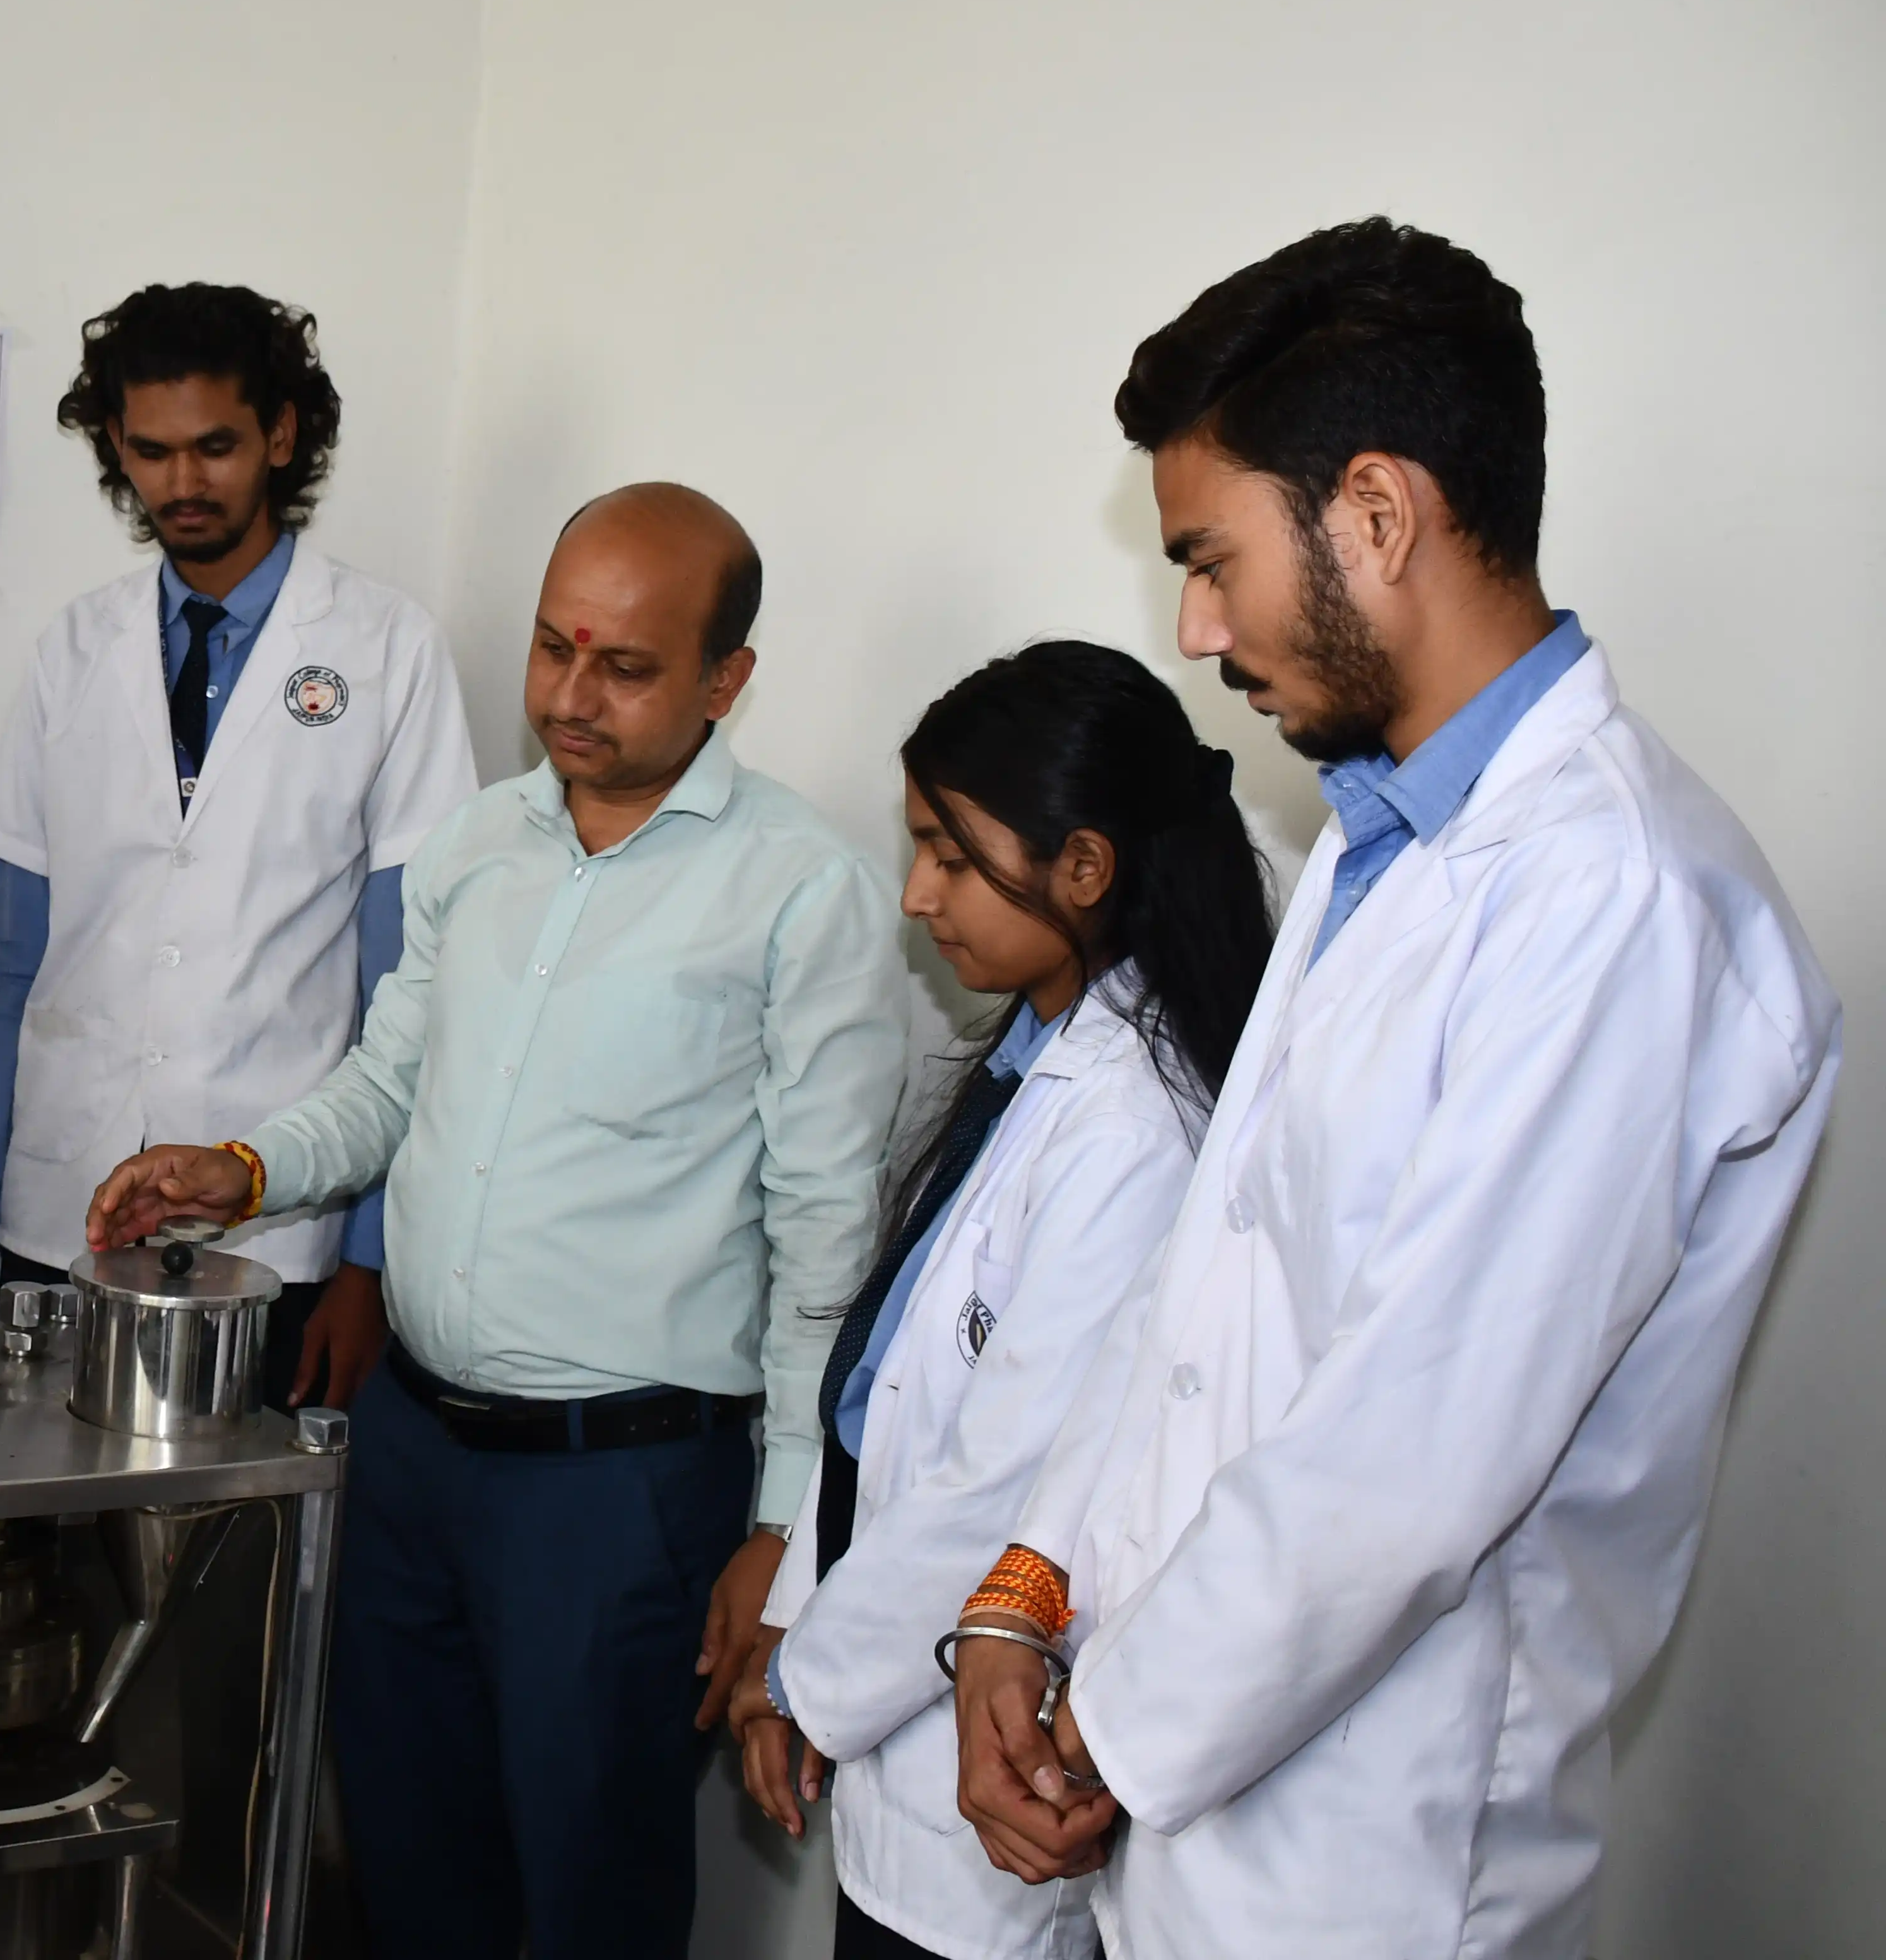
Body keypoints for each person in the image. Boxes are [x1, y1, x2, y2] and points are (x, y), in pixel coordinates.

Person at [949, 221, 1842, 1956]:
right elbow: (1210, 1302)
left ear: (1375, 512)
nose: (1197, 630)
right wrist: (1030, 1587)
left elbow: (1411, 1453)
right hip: (1186, 1800)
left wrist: (1103, 1736)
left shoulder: (1620, 898)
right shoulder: (1382, 844)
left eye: (1211, 561)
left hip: (1377, 1862)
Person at [90, 482, 909, 1960]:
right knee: (412, 1859)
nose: (570, 696)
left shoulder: (800, 893)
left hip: (621, 1488)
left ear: (728, 681)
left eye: (627, 666)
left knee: (588, 1887)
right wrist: (244, 1167)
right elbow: (388, 1083)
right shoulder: (479, 845)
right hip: (416, 1453)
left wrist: (783, 1528)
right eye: (551, 648)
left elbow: (822, 1247)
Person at [726, 642, 1276, 1960]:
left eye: (952, 855)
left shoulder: (1137, 1127)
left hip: (987, 1771)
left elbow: (991, 1476)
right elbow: (884, 1384)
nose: (918, 894)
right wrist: (799, 1615)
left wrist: (804, 1676)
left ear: (1083, 867)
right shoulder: (1040, 1055)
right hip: (909, 1722)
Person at [0, 281, 474, 1408]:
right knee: (44, 1556)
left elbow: (412, 990)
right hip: (60, 1214)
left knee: (235, 1566)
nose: (184, 484)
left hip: (275, 1235)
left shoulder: (387, 652)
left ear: (281, 435)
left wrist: (367, 1266)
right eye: (152, 451)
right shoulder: (74, 652)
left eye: (217, 446)